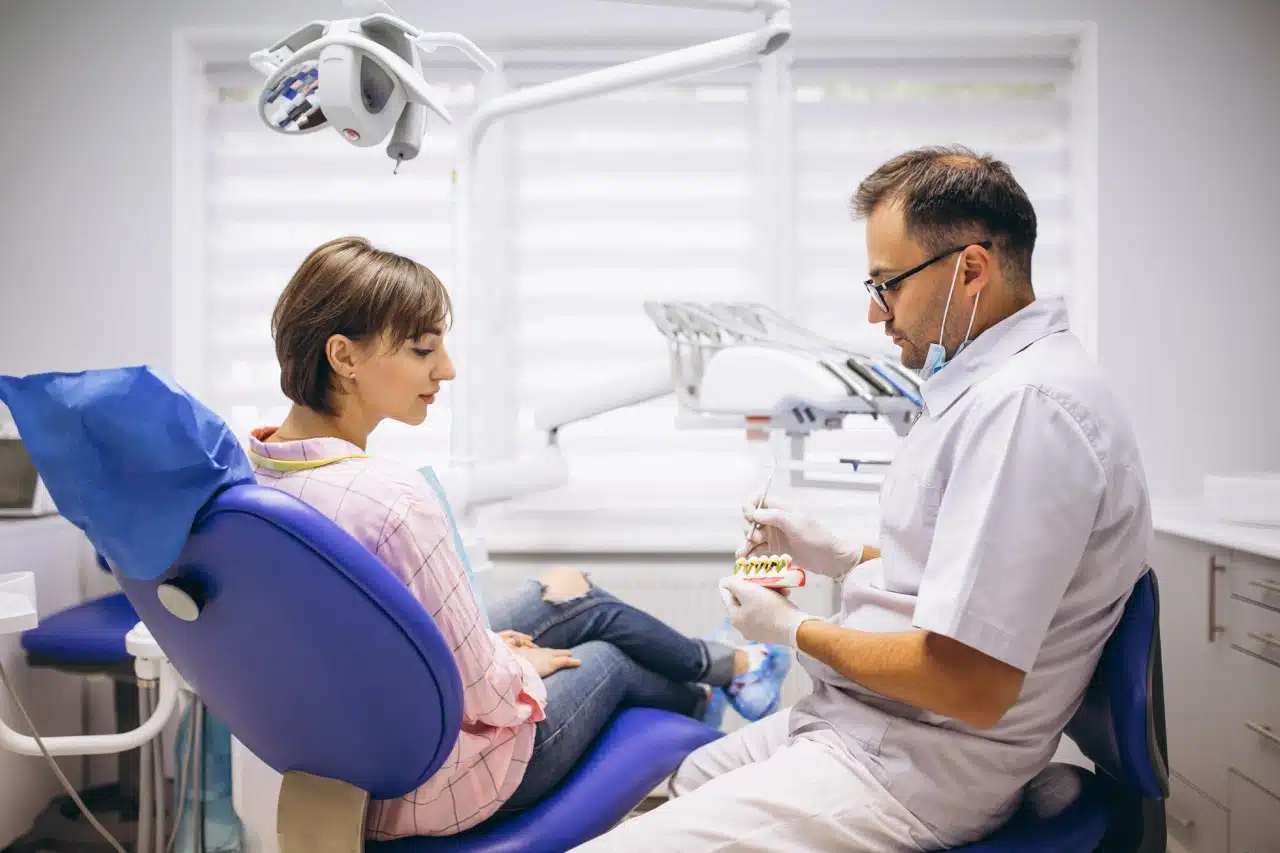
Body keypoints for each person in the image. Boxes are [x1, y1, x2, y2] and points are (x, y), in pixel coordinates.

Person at [573, 145, 1152, 852]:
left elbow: (969, 681)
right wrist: (847, 555)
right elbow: (977, 572)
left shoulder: (1028, 410)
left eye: (889, 284)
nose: (877, 313)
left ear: (970, 269)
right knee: (693, 777)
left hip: (909, 769)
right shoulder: (996, 389)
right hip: (868, 725)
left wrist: (790, 628)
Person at [245, 236, 790, 840]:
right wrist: (518, 668)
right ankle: (703, 693)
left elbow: (375, 640)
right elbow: (484, 695)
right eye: (423, 349)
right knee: (607, 658)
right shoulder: (390, 500)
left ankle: (732, 666)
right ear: (344, 356)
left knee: (570, 592)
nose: (446, 369)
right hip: (435, 780)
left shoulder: (259, 483)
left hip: (365, 745)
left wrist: (490, 655)